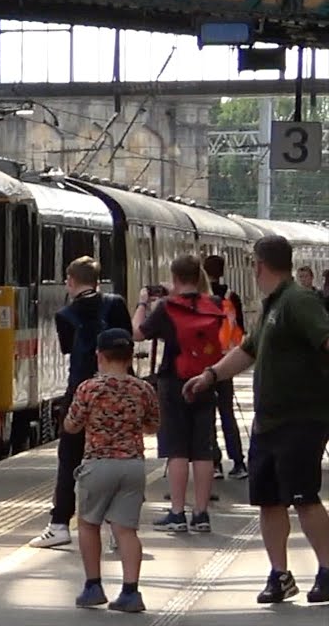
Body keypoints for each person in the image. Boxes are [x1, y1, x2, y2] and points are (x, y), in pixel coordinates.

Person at [182, 236, 329, 604]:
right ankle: (280, 574)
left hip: (301, 419)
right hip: (270, 423)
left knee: (304, 498)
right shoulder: (272, 306)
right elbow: (247, 351)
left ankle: (327, 569)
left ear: (259, 265)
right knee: (269, 500)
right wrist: (210, 376)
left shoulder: (299, 301)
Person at [29, 256, 132, 549]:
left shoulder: (65, 315)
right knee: (113, 457)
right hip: (117, 392)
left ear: (71, 282)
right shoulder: (116, 304)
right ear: (98, 281)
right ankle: (116, 528)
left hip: (81, 393)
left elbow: (67, 350)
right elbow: (127, 340)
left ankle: (59, 524)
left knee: (69, 460)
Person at [65, 328, 160, 613]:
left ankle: (93, 586)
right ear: (131, 357)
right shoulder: (143, 388)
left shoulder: (89, 388)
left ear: (99, 356)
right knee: (126, 531)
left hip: (98, 464)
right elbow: (153, 426)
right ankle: (131, 592)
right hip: (132, 466)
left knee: (88, 524)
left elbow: (72, 424)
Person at [133, 254, 225, 534]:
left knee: (177, 450)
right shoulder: (217, 305)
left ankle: (177, 513)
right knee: (203, 448)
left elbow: (137, 333)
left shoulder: (166, 307)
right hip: (205, 380)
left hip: (173, 382)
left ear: (174, 277)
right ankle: (201, 514)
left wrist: (141, 302)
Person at [202, 254, 247, 480]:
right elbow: (241, 328)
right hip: (226, 360)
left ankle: (215, 462)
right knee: (227, 412)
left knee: (208, 413)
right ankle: (238, 462)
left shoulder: (200, 297)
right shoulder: (231, 296)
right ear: (222, 271)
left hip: (204, 362)